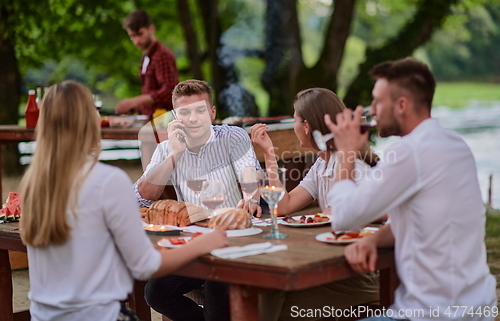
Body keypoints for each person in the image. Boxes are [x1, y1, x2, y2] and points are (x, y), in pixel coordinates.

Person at [19, 80, 227, 321]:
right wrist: (203, 244)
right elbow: (145, 265)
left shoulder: (33, 184)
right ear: (90, 121)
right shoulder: (107, 180)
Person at [325, 58, 497, 321]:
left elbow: (342, 217)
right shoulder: (455, 145)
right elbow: (421, 221)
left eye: (377, 101)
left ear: (401, 105)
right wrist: (373, 239)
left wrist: (347, 151)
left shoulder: (409, 152)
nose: (372, 110)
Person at [135, 79, 261, 321]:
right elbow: (144, 195)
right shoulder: (165, 149)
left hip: (234, 241)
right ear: (175, 116)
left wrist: (250, 197)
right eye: (185, 112)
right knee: (156, 292)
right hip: (195, 244)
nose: (193, 118)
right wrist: (174, 153)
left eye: (200, 110)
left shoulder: (232, 136)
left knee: (217, 289)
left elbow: (249, 173)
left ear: (212, 112)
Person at [251, 88, 381, 321]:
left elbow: (343, 215)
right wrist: (269, 154)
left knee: (271, 301)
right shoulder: (322, 164)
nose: (294, 125)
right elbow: (284, 207)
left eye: (295, 119)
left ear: (307, 126)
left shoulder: (349, 164)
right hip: (336, 265)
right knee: (267, 293)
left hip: (360, 273)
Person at [115, 10, 178, 117]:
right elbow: (152, 91)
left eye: (140, 34)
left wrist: (137, 101)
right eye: (132, 36)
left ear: (151, 29)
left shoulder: (162, 55)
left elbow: (171, 91)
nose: (136, 40)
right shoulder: (146, 56)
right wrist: (137, 106)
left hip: (165, 123)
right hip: (151, 120)